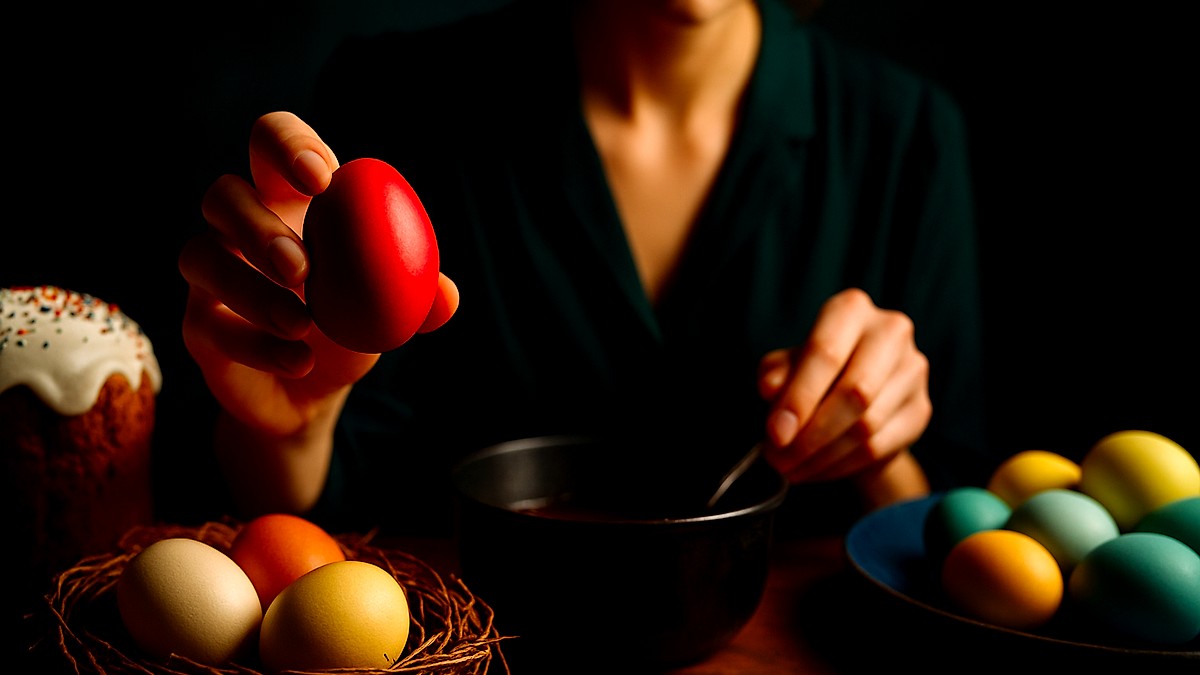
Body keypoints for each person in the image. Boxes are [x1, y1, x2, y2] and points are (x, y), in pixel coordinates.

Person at [178, 0, 993, 537]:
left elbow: (959, 542)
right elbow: (312, 543)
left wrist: (878, 446)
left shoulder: (907, 139)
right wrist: (292, 427)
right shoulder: (399, 100)